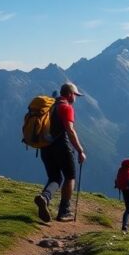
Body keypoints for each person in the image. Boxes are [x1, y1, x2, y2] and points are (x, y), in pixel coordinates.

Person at [34, 83, 87, 222]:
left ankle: (45, 197)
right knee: (70, 177)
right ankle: (64, 211)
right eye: (75, 95)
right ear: (70, 94)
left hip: (45, 147)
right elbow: (70, 130)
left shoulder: (50, 106)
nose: (76, 98)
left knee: (55, 177)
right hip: (61, 147)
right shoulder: (66, 107)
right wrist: (80, 150)